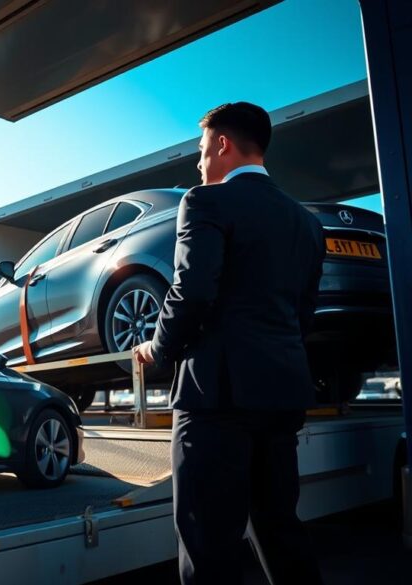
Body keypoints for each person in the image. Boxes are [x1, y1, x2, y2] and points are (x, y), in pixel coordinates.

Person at [133, 102, 325, 584]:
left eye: (201, 151)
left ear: (222, 145)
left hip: (216, 398)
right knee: (281, 529)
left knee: (208, 544)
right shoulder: (306, 223)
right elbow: (303, 314)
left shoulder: (204, 201)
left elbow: (192, 290)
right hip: (281, 397)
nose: (199, 164)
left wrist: (156, 349)